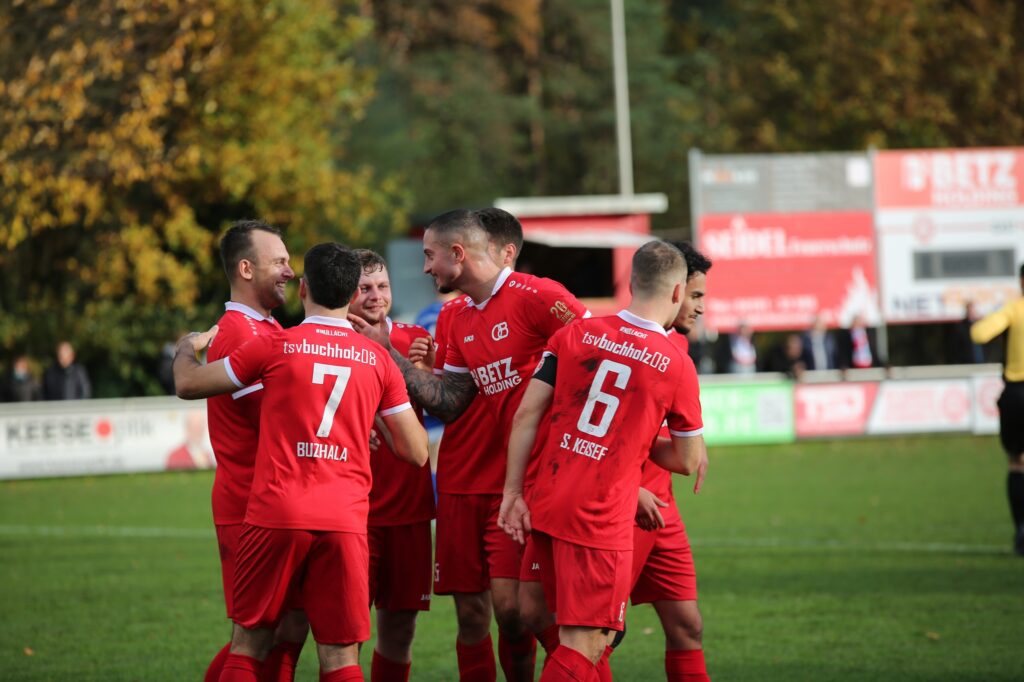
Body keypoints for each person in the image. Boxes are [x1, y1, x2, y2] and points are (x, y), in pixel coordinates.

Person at [174, 242, 429, 682]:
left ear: (304, 289)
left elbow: (189, 383)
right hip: (345, 518)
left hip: (277, 510)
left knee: (250, 643)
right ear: (352, 295)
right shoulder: (378, 361)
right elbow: (417, 452)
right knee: (340, 657)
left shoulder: (277, 345)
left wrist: (185, 347)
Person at [352, 208, 587, 682]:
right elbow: (452, 402)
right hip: (459, 484)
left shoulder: (539, 296)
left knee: (516, 611)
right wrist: (396, 358)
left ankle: (583, 664)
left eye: (429, 256)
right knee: (474, 616)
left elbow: (599, 357)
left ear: (457, 255)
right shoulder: (455, 315)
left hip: (518, 482)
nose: (424, 268)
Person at [499, 240, 706, 681]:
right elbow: (688, 461)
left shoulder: (574, 334)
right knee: (588, 641)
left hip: (548, 498)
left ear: (630, 283)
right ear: (676, 293)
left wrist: (513, 493)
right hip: (602, 514)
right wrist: (636, 440)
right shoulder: (675, 363)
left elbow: (527, 414)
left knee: (555, 624)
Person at [201, 220, 306, 682]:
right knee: (258, 633)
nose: (289, 270)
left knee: (289, 626)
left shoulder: (264, 329)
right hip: (249, 504)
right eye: (279, 261)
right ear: (246, 268)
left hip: (275, 502)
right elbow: (275, 422)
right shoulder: (239, 335)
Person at [623, 241, 712, 682]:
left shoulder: (676, 345)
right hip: (619, 504)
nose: (700, 307)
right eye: (695, 296)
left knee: (688, 626)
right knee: (597, 634)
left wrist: (689, 441)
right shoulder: (621, 344)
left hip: (662, 506)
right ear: (674, 290)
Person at [349, 249, 435, 682]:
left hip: (409, 508)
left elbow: (433, 408)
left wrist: (423, 370)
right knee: (348, 635)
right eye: (364, 287)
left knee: (399, 631)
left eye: (382, 286)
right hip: (353, 512)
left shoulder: (413, 338)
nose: (375, 295)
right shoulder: (328, 342)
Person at [971, 264, 1024, 556]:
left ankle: (1021, 531)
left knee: (1017, 463)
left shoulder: (1014, 310)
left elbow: (979, 333)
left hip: (1017, 394)